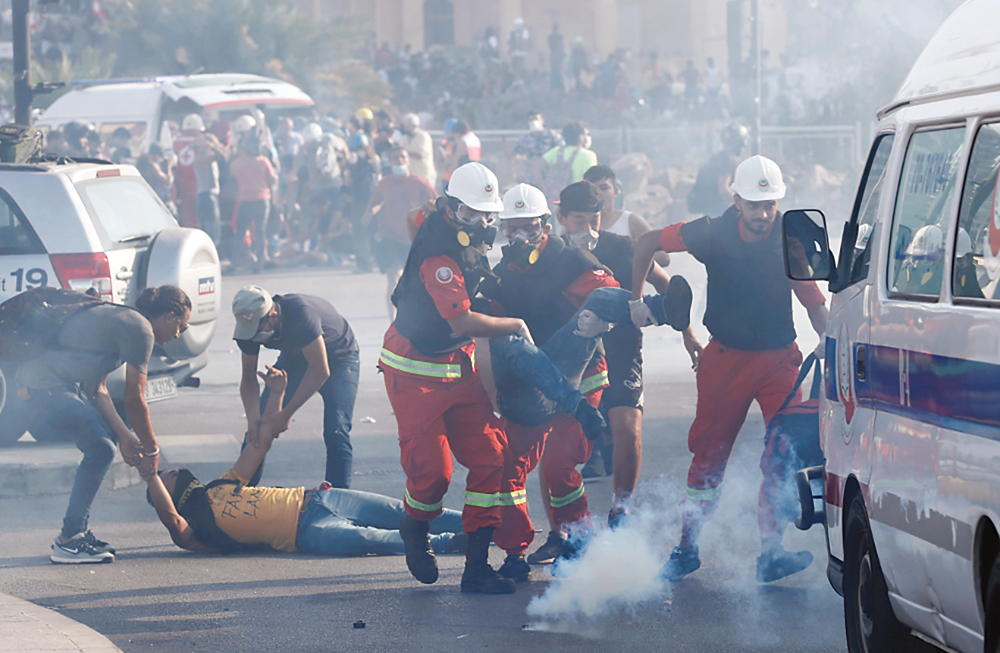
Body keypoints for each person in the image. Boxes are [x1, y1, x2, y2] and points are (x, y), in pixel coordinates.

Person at [631, 155, 829, 584]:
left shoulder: (788, 235)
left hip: (780, 359)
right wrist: (634, 298)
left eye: (770, 204)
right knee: (709, 457)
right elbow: (647, 242)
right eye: (754, 204)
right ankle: (687, 548)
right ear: (735, 198)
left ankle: (771, 553)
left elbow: (814, 302)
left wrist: (833, 351)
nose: (762, 213)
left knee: (784, 452)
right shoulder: (711, 232)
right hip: (725, 360)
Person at [379, 162, 526, 595]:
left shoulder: (437, 220)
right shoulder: (439, 255)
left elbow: (413, 218)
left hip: (458, 365)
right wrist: (515, 325)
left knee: (490, 459)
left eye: (486, 215)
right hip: (415, 368)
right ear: (450, 207)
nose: (480, 224)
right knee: (433, 476)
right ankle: (414, 526)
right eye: (471, 215)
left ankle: (477, 567)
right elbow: (461, 321)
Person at [143, 366, 466, 557]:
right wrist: (150, 476)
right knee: (374, 539)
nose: (174, 472)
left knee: (402, 512)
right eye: (168, 476)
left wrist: (277, 393)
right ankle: (455, 543)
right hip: (309, 531)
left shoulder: (221, 485)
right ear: (169, 495)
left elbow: (261, 444)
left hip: (319, 497)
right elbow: (171, 519)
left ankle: (484, 520)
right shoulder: (196, 533)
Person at [16, 286, 191, 563]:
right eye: (182, 325)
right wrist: (152, 450)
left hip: (51, 384)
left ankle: (72, 536)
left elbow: (96, 389)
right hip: (43, 386)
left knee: (104, 445)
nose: (179, 334)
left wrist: (125, 436)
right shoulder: (142, 330)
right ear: (169, 316)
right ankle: (70, 539)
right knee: (100, 450)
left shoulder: (125, 319)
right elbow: (135, 399)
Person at [233, 285, 359, 489]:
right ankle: (240, 492)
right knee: (259, 428)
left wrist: (286, 413)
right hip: (296, 357)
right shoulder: (247, 331)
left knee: (336, 430)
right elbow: (248, 378)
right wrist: (252, 420)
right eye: (249, 332)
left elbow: (320, 370)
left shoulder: (301, 314)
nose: (255, 336)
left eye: (258, 329)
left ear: (273, 315)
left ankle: (338, 497)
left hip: (339, 359)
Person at [362, 147, 437, 318]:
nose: (399, 160)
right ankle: (394, 322)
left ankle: (417, 317)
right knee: (394, 276)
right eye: (395, 158)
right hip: (390, 236)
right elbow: (376, 202)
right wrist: (369, 212)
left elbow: (436, 205)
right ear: (390, 160)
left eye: (402, 157)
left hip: (414, 238)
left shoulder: (421, 183)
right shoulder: (385, 183)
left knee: (418, 282)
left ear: (408, 160)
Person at [230, 138, 278, 272]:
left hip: (245, 199)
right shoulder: (263, 161)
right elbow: (272, 179)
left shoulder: (237, 163)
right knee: (260, 232)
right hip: (263, 199)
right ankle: (260, 262)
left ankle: (234, 262)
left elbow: (233, 176)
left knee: (240, 232)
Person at [688, 123, 749, 218]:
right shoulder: (727, 159)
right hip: (720, 211)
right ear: (739, 143)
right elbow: (723, 188)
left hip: (711, 209)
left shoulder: (717, 157)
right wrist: (743, 204)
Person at [344, 132, 381, 273]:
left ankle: (365, 263)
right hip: (368, 199)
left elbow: (350, 180)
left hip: (364, 200)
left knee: (361, 232)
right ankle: (371, 261)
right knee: (369, 231)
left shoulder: (366, 163)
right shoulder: (373, 161)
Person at [583, 165, 653, 240]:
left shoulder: (632, 222)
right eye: (592, 188)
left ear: (615, 192)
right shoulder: (576, 225)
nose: (597, 193)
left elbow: (657, 249)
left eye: (604, 188)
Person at [535, 121, 598, 205]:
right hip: (578, 201)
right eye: (586, 134)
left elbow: (535, 167)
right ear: (581, 136)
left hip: (555, 201)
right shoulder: (589, 155)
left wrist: (542, 188)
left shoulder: (556, 151)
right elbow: (592, 182)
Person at [193, 131, 227, 245]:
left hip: (206, 197)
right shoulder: (201, 159)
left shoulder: (206, 157)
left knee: (210, 229)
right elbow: (221, 155)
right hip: (207, 197)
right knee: (212, 232)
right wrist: (213, 144)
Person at [513, 111, 564, 186]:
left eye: (536, 119)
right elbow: (514, 154)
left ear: (542, 120)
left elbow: (562, 150)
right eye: (531, 120)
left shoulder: (552, 135)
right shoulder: (525, 139)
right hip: (532, 178)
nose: (534, 122)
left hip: (552, 177)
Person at [399, 113, 436, 188]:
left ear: (415, 126)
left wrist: (404, 153)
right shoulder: (404, 138)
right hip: (410, 178)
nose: (406, 129)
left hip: (424, 176)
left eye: (408, 127)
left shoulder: (423, 136)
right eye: (405, 127)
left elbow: (421, 155)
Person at [548, 24, 565, 91]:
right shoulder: (559, 36)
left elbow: (550, 46)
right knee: (557, 69)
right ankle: (556, 84)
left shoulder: (550, 37)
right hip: (557, 55)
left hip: (553, 55)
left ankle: (554, 84)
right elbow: (561, 45)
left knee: (554, 69)